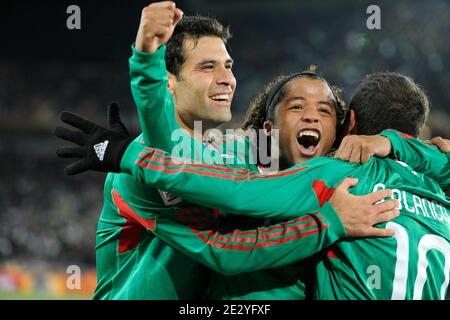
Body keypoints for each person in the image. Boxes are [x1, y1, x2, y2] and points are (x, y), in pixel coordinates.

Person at [56, 2, 396, 299]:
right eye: (208, 67)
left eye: (229, 66)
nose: (227, 78)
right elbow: (222, 249)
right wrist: (146, 62)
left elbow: (275, 151)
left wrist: (401, 144)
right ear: (168, 82)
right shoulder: (147, 159)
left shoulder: (228, 150)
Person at [56, 71, 449, 299]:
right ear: (267, 127)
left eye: (324, 111)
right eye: (296, 107)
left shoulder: (337, 179)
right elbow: (220, 234)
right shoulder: (232, 154)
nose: (311, 116)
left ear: (344, 128)